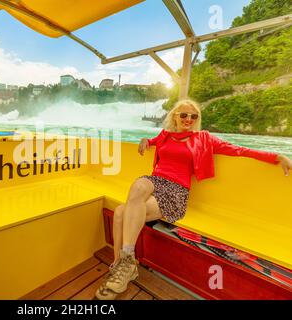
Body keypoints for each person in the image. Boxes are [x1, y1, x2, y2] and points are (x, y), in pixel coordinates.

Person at [95, 99, 292, 300]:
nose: (188, 119)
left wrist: (275, 157)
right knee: (138, 185)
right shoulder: (165, 135)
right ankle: (123, 264)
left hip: (176, 191)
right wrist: (146, 140)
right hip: (155, 181)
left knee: (121, 211)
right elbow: (151, 141)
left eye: (193, 116)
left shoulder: (204, 139)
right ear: (175, 116)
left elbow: (239, 150)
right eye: (184, 115)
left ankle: (121, 267)